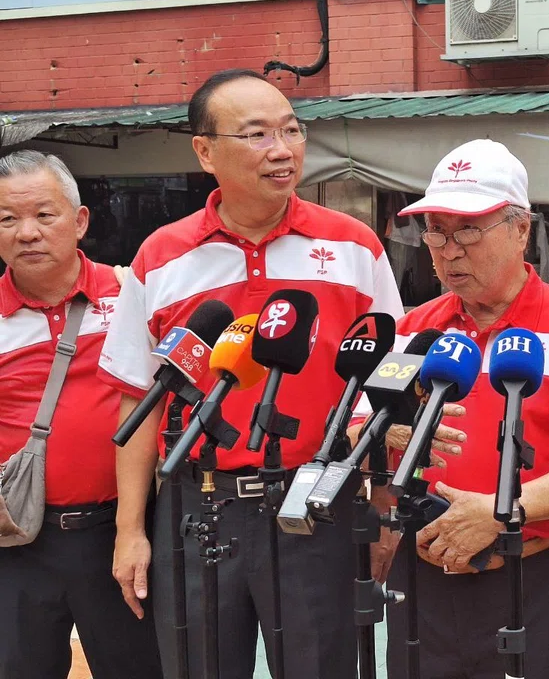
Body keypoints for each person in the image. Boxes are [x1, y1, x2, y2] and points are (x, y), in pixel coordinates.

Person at [98, 69, 404, 679]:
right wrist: (130, 531)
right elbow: (139, 400)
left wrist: (384, 508)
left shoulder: (354, 246)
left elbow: (386, 387)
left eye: (292, 130)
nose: (282, 149)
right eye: (258, 134)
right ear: (204, 151)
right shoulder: (160, 257)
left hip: (317, 502)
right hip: (196, 505)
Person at [360, 139, 549, 678]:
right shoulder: (416, 331)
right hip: (425, 582)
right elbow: (368, 436)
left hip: (537, 576)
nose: (447, 249)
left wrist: (497, 512)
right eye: (435, 230)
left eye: (467, 229)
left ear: (521, 230)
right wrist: (383, 494)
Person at [0, 150, 163, 679]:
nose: (27, 232)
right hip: (18, 543)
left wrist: (132, 529)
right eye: (7, 219)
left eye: (44, 215)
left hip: (121, 533)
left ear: (80, 221)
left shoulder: (132, 296)